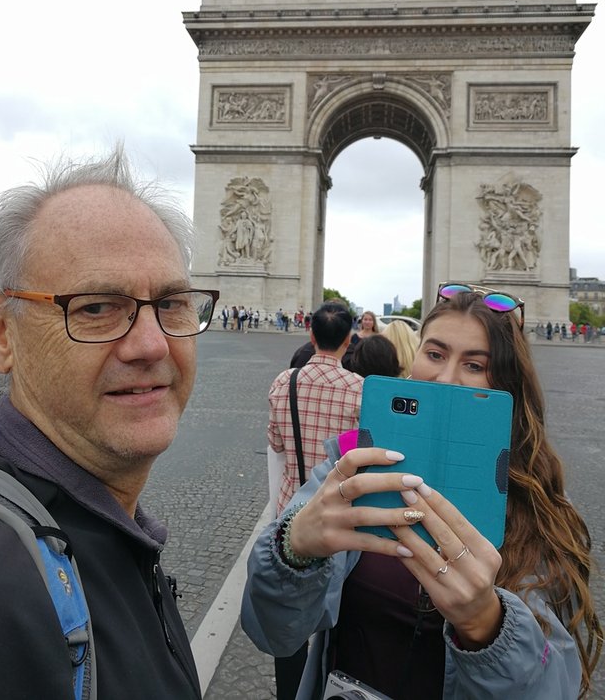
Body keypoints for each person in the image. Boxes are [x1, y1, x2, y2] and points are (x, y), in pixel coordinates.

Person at [242, 284, 602, 700]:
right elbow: (272, 633)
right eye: (434, 354)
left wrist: (487, 626)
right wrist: (293, 551)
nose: (446, 378)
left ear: (507, 383)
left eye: (474, 364)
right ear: (412, 361)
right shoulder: (351, 470)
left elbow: (557, 689)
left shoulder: (542, 510)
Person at [0, 147, 219, 699]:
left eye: (172, 302)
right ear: (0, 332)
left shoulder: (101, 531)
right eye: (97, 307)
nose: (153, 344)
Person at [268, 300, 364, 700]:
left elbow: (275, 442)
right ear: (348, 340)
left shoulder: (283, 382)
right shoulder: (361, 391)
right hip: (341, 519)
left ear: (310, 334)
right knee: (335, 618)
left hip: (292, 514)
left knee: (289, 621)